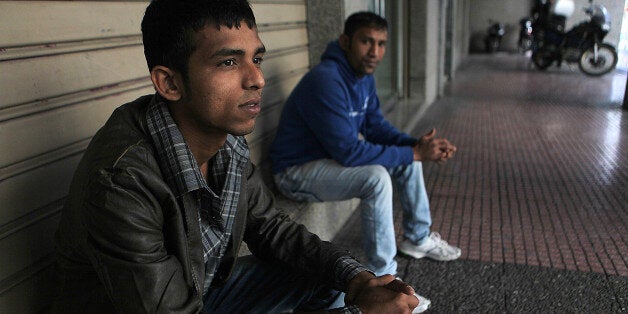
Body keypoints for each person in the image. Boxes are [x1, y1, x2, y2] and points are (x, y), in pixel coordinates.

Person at [51, 1, 428, 313]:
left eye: (257, 59)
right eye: (229, 62)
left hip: (204, 287)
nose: (257, 79)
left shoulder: (225, 139)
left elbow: (270, 228)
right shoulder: (121, 182)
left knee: (331, 283)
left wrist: (359, 279)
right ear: (169, 83)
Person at [270, 11, 461, 283]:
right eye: (366, 42)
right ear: (345, 41)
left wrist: (415, 145)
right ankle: (383, 280)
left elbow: (375, 128)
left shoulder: (363, 77)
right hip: (295, 171)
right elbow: (348, 152)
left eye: (381, 44)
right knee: (377, 179)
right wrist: (416, 152)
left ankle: (417, 238)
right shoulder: (327, 80)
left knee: (408, 159)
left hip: (329, 162)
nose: (375, 52)